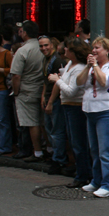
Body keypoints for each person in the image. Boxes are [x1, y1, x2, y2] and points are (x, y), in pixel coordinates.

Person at [76, 36, 109, 198]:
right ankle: (97, 180)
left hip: (105, 111)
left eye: (97, 48)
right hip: (89, 110)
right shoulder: (90, 67)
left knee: (105, 150)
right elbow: (79, 82)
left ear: (107, 50)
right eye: (93, 48)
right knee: (94, 149)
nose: (93, 51)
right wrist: (88, 67)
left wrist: (95, 66)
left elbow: (105, 83)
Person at [49, 38, 92, 188]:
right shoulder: (69, 64)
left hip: (75, 107)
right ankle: (83, 172)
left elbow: (71, 90)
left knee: (79, 142)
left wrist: (57, 80)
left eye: (68, 49)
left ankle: (83, 175)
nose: (64, 50)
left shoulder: (79, 68)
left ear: (74, 52)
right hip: (67, 106)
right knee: (75, 141)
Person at [10, 21, 46, 161]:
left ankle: (37, 151)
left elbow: (16, 75)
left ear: (24, 33)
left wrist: (16, 91)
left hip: (26, 90)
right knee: (43, 122)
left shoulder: (22, 50)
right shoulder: (43, 47)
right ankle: (48, 148)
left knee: (32, 123)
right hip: (41, 89)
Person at [41, 36, 68, 175]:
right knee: (50, 129)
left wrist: (51, 101)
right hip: (48, 97)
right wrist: (43, 97)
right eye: (41, 46)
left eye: (46, 45)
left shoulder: (57, 60)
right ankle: (55, 156)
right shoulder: (45, 59)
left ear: (51, 45)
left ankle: (59, 159)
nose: (43, 48)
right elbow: (46, 81)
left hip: (55, 99)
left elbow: (58, 82)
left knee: (57, 131)